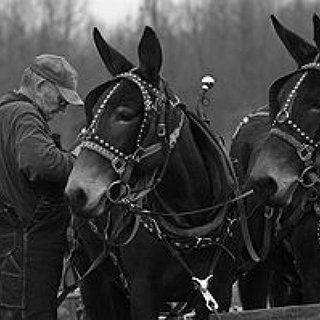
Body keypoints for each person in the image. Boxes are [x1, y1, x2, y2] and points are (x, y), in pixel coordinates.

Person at [0, 54, 84, 320]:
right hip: (26, 254)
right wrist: (78, 160)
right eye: (61, 98)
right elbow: (39, 163)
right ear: (40, 86)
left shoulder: (6, 113)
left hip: (13, 249)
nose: (63, 108)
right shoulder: (24, 113)